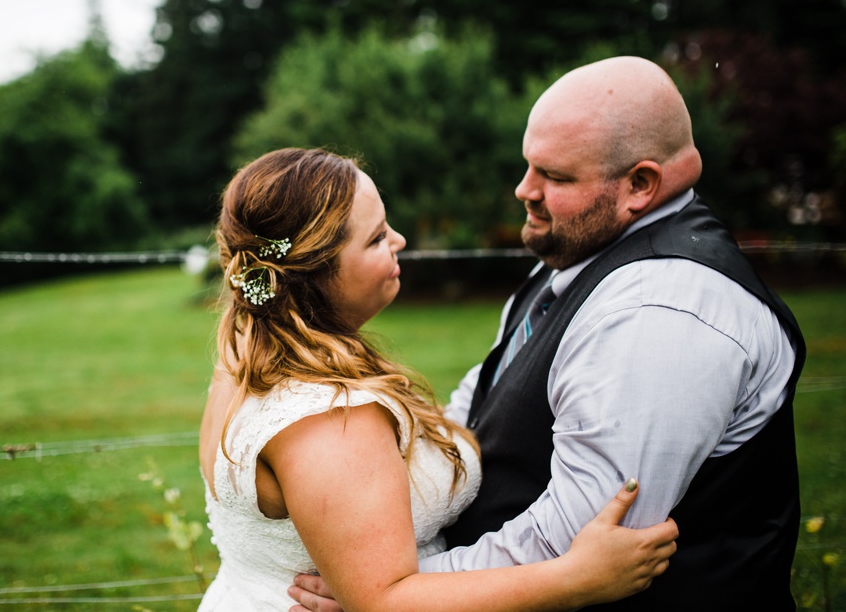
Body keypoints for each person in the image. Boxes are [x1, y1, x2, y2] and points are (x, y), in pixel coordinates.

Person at [289, 56, 806, 612]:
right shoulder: (582, 248)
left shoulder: (661, 312)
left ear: (640, 184)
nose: (523, 190)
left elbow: (576, 538)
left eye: (555, 177)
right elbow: (484, 398)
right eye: (530, 165)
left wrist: (393, 591)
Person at [198, 147, 678, 611]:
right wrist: (579, 580)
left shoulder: (245, 350)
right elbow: (383, 601)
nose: (399, 241)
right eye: (377, 238)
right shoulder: (329, 417)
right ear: (314, 276)